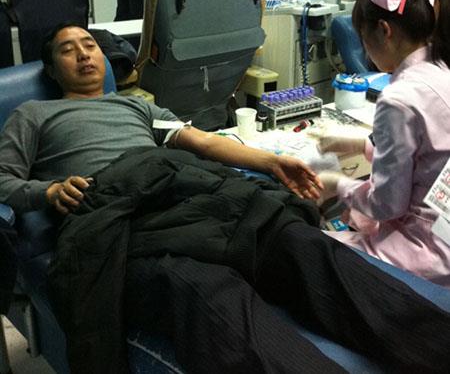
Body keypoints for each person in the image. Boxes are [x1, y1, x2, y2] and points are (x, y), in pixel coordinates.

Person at [1, 24, 450, 373]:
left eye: (90, 45)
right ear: (52, 69)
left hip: (183, 195)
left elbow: (200, 141)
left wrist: (271, 163)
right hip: (121, 221)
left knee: (298, 242)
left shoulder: (135, 106)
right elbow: (3, 179)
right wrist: (48, 191)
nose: (84, 54)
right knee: (202, 288)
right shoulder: (34, 114)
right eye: (68, 49)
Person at [318, 0, 450, 287]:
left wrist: (338, 185)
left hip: (427, 255)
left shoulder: (399, 98)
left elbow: (387, 205)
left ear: (384, 31)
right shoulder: (442, 70)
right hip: (441, 234)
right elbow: (427, 159)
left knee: (311, 249)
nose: (366, 51)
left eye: (363, 40)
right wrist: (360, 145)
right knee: (355, 218)